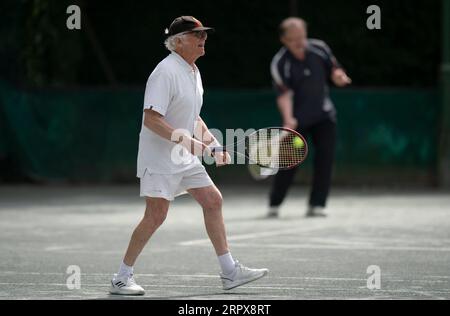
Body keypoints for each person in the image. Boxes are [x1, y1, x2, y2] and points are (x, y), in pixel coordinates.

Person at [109, 16, 268, 295]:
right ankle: (122, 277)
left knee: (212, 201)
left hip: (183, 157)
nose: (203, 39)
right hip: (159, 158)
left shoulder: (193, 71)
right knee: (156, 216)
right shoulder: (165, 72)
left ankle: (230, 272)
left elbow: (193, 117)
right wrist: (192, 144)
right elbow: (151, 119)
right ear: (178, 41)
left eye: (204, 34)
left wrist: (213, 144)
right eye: (197, 35)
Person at [268, 17, 351, 218]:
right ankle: (275, 203)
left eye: (302, 36)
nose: (299, 42)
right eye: (293, 38)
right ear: (284, 40)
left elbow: (334, 68)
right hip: (298, 120)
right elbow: (284, 94)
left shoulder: (320, 48)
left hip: (324, 115)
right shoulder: (280, 63)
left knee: (325, 159)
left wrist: (339, 76)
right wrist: (289, 119)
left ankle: (317, 204)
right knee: (289, 162)